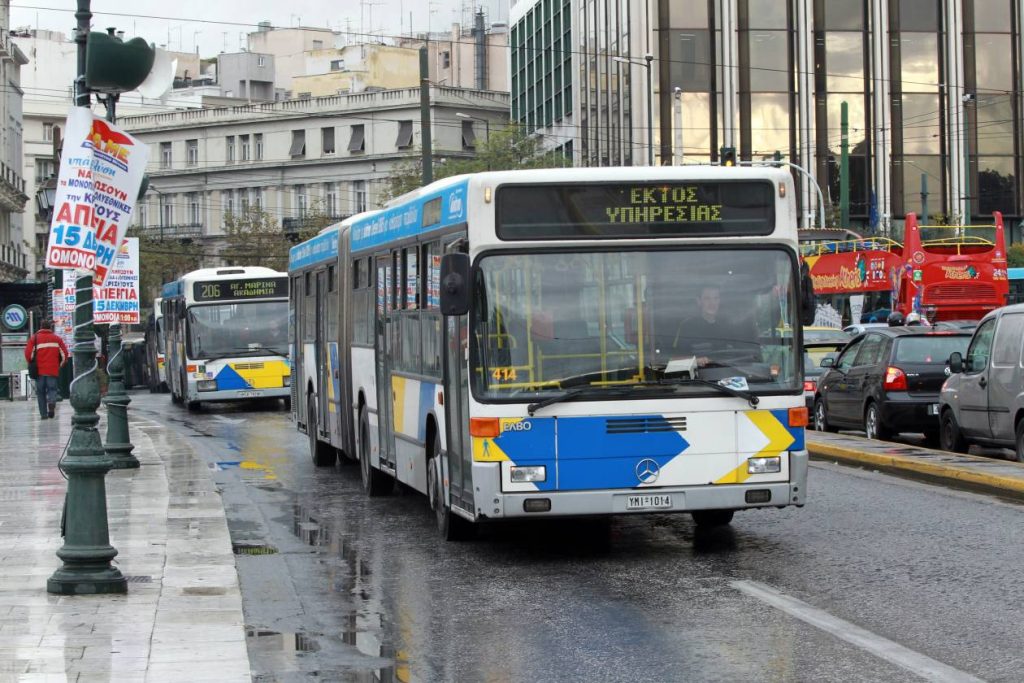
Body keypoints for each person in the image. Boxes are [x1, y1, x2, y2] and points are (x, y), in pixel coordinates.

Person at [673, 285, 747, 366]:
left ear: (719, 301)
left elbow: (742, 355)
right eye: (707, 298)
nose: (712, 303)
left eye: (716, 298)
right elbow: (674, 360)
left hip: (729, 372)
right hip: (699, 373)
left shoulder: (729, 325)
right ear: (699, 301)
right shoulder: (687, 326)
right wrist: (695, 361)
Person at [24, 319, 70, 419]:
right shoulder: (57, 339)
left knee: (40, 393)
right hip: (52, 371)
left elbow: (28, 355)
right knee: (52, 390)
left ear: (41, 327)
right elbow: (65, 355)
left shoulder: (34, 339)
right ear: (50, 327)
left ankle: (43, 414)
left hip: (39, 372)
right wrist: (59, 365)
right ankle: (52, 404)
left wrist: (31, 361)